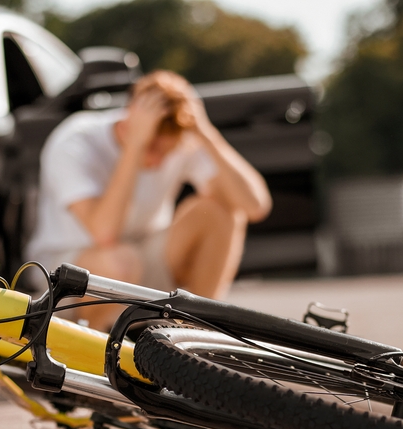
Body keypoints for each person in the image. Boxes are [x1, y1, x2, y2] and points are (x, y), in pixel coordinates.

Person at [25, 69, 272, 329]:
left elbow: (255, 206)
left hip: (142, 261)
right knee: (121, 261)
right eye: (152, 148)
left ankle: (196, 331)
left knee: (222, 212)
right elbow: (105, 233)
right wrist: (135, 146)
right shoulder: (76, 140)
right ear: (129, 117)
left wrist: (205, 131)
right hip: (68, 272)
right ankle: (91, 348)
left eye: (166, 152)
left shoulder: (176, 138)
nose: (156, 162)